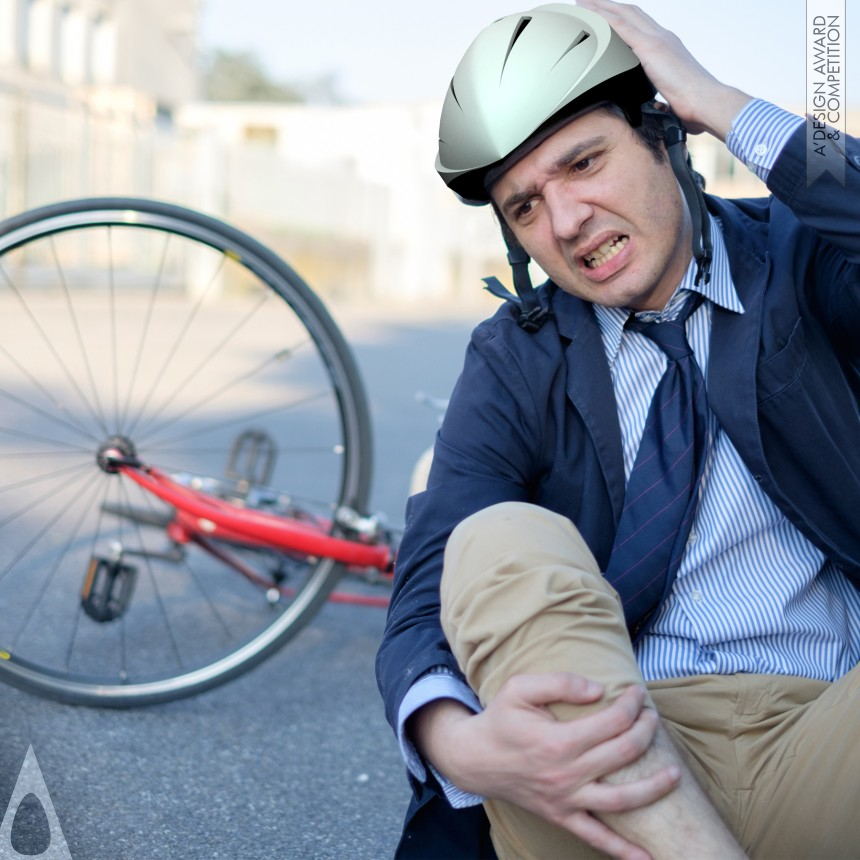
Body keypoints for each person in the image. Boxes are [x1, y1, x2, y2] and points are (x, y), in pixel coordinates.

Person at [376, 1, 860, 857]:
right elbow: (427, 581)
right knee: (491, 540)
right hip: (612, 757)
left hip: (828, 736)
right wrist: (463, 745)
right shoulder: (517, 356)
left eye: (585, 162)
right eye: (526, 206)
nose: (565, 222)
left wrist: (724, 101)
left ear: (665, 136)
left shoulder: (800, 255)